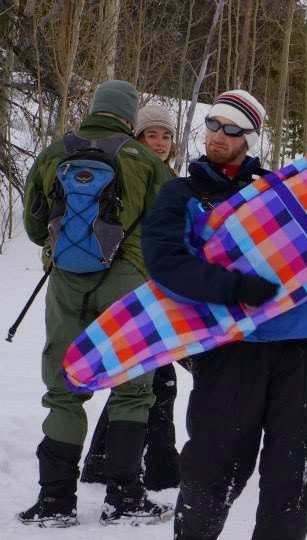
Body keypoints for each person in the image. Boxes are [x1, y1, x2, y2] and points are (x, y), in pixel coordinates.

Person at [141, 90, 307, 539]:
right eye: (213, 124)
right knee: (214, 469)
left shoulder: (278, 190)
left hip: (296, 341)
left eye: (232, 129)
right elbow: (165, 262)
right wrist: (234, 288)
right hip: (229, 347)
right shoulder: (182, 194)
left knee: (295, 473)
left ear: (250, 138)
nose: (218, 135)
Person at [17, 80, 174, 527]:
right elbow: (170, 223)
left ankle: (54, 501)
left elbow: (33, 226)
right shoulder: (144, 158)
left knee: (63, 390)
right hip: (128, 282)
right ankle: (123, 498)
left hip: (66, 281)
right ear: (129, 115)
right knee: (132, 389)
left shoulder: (54, 152)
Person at [82, 102, 181, 492]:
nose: (159, 142)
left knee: (138, 376)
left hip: (149, 289)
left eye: (166, 135)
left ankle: (99, 462)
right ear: (137, 137)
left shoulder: (162, 174)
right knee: (157, 379)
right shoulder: (140, 174)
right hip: (135, 288)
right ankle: (161, 470)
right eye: (151, 134)